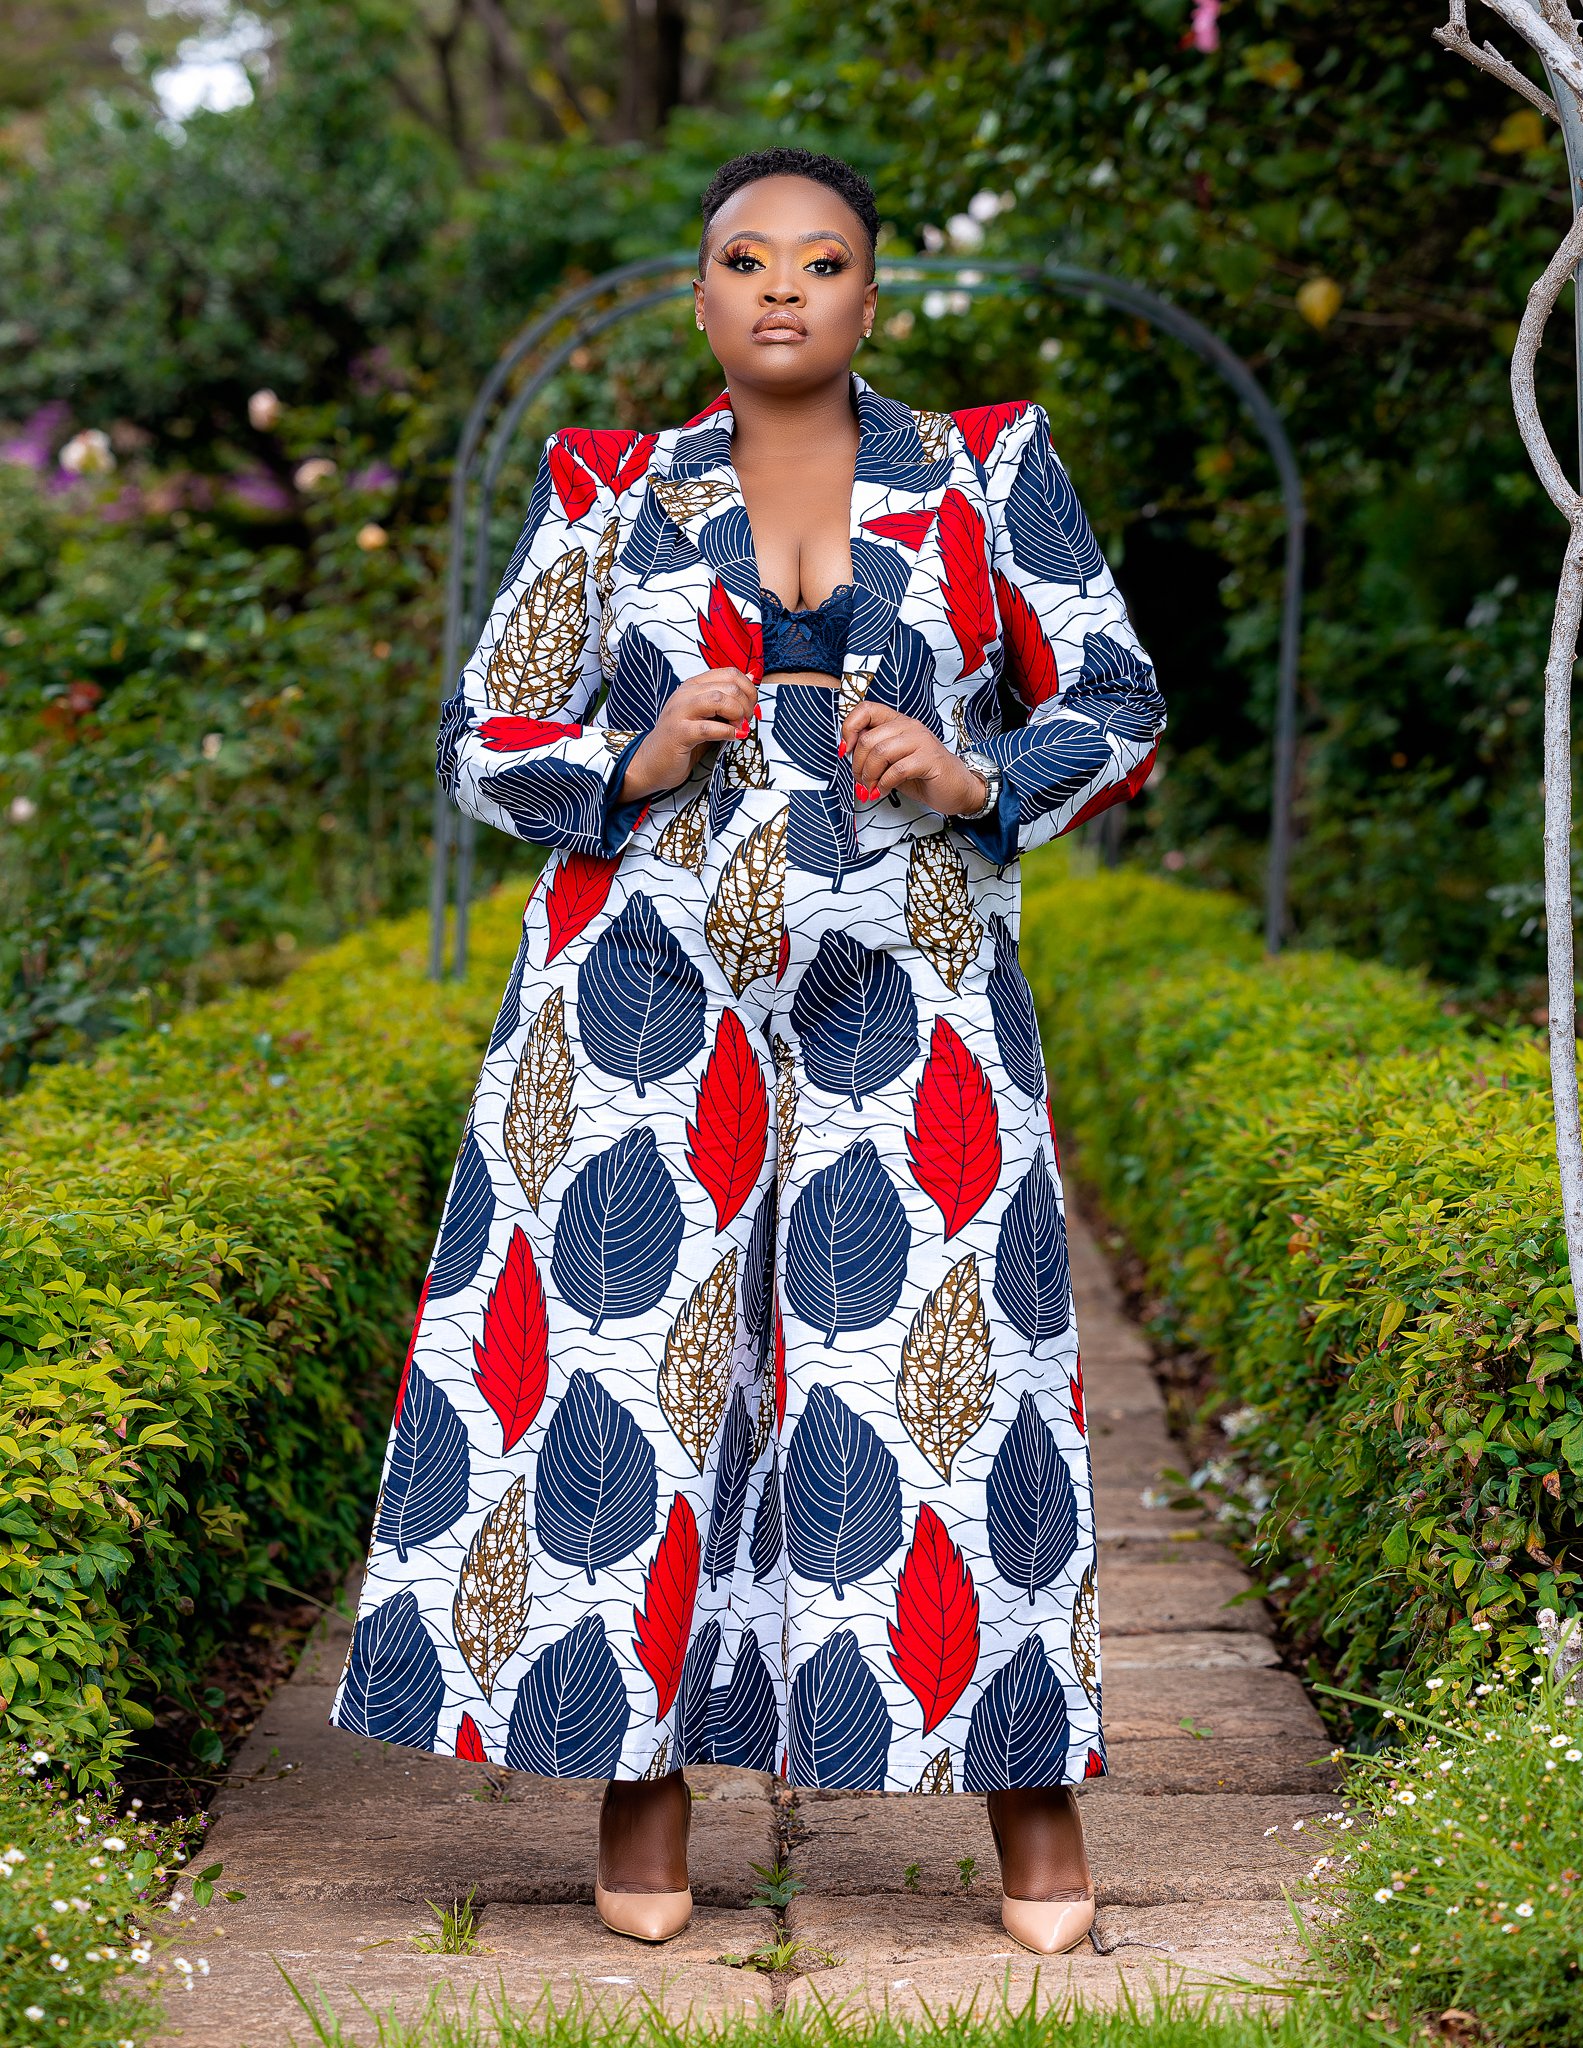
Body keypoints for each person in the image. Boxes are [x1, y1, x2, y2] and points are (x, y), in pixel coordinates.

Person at [333, 147, 1165, 1959]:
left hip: (917, 981)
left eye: (826, 262)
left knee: (948, 1373)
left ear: (875, 298)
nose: (784, 288)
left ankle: (1032, 1805)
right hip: (640, 996)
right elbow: (488, 735)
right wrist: (633, 761)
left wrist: (972, 775)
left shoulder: (990, 476)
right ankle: (639, 1798)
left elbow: (1115, 695)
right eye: (746, 260)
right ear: (701, 299)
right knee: (635, 1374)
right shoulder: (614, 493)